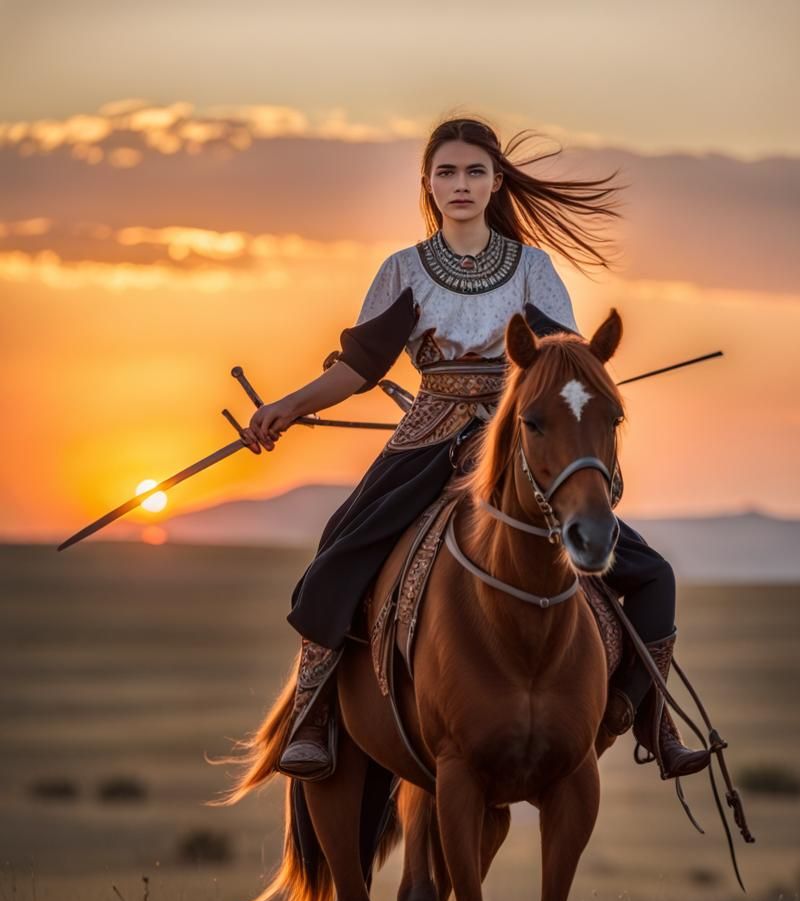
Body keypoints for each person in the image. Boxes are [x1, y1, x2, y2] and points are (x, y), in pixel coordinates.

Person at [240, 115, 711, 783]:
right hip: (431, 430)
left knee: (653, 573)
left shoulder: (533, 269)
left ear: (494, 183)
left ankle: (650, 718)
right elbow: (361, 366)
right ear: (427, 184)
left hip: (522, 434)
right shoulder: (404, 269)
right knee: (341, 549)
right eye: (447, 172)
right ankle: (312, 714)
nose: (460, 184)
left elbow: (561, 361)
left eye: (474, 171)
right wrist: (288, 405)